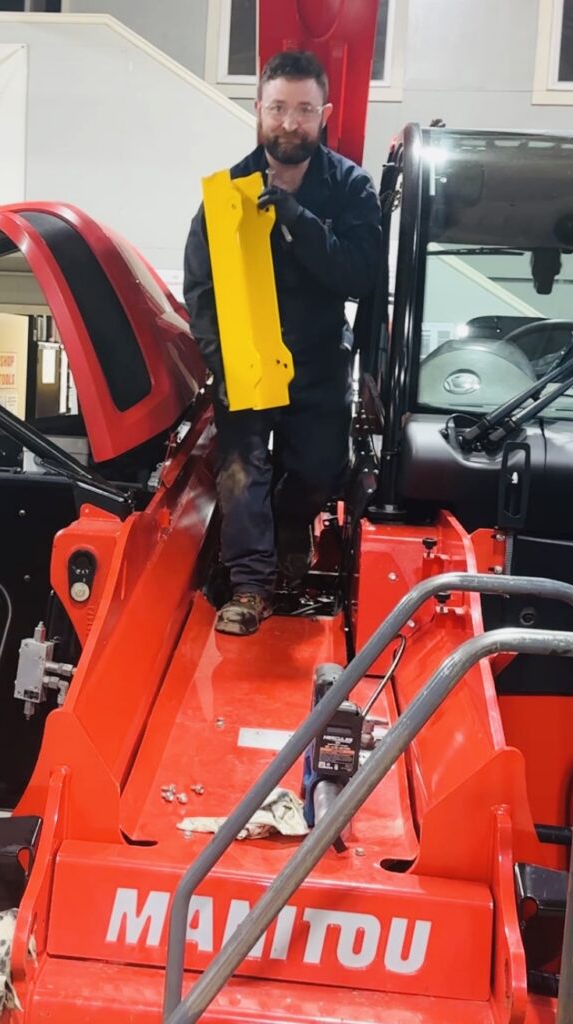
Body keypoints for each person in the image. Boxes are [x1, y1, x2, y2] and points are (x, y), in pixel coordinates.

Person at [183, 49, 382, 636]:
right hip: (244, 366)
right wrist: (220, 360)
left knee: (321, 469)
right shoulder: (223, 196)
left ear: (324, 113)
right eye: (277, 108)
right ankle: (249, 586)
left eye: (302, 110)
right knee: (241, 471)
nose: (289, 122)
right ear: (259, 111)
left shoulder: (350, 190)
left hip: (318, 361)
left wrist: (296, 219)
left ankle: (292, 527)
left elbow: (359, 275)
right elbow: (202, 287)